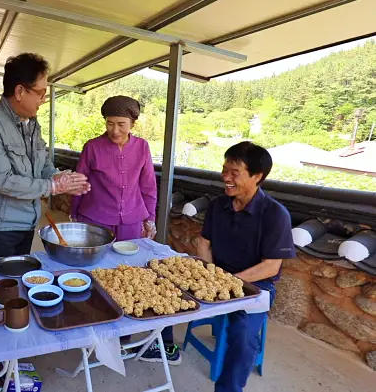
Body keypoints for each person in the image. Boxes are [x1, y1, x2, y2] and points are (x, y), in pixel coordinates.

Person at [145, 142, 296, 391]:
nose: (226, 177)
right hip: (216, 275)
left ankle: (228, 388)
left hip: (255, 286)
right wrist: (208, 272)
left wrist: (227, 281)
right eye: (224, 170)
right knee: (162, 291)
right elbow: (203, 242)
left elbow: (270, 267)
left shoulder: (274, 215)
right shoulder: (219, 205)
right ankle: (163, 345)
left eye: (234, 173)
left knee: (243, 338)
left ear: (257, 176)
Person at [0, 53, 90, 258]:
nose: (43, 100)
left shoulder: (31, 124)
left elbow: (42, 164)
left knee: (17, 280)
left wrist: (62, 180)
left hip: (27, 222)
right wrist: (51, 186)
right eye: (40, 93)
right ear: (19, 91)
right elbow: (2, 181)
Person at [70, 95, 158, 241]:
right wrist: (74, 213)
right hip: (95, 218)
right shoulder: (92, 147)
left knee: (128, 262)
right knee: (96, 262)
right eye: (110, 123)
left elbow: (148, 185)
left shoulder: (142, 146)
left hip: (131, 220)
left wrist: (150, 217)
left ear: (133, 124)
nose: (115, 130)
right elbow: (79, 182)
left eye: (121, 124)